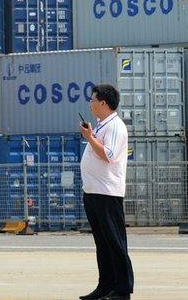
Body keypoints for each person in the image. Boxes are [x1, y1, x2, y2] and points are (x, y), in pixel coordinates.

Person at [78, 84, 133, 300]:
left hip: (107, 193)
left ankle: (122, 289)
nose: (90, 104)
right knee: (102, 243)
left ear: (103, 103)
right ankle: (105, 286)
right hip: (93, 192)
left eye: (92, 100)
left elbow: (108, 155)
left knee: (115, 242)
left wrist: (89, 138)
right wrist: (91, 135)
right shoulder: (102, 126)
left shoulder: (115, 127)